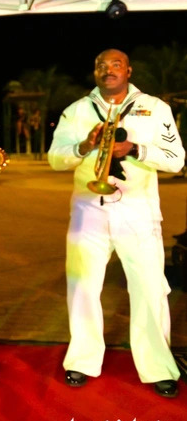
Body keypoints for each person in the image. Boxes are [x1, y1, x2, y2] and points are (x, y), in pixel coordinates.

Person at [48, 48, 184, 398]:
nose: (107, 70)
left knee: (150, 288)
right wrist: (82, 147)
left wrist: (136, 149)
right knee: (81, 286)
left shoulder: (154, 108)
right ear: (95, 72)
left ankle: (158, 367)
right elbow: (55, 158)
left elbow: (176, 159)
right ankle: (81, 360)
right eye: (101, 66)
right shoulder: (77, 110)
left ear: (128, 70)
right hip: (88, 209)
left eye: (115, 65)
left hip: (137, 210)